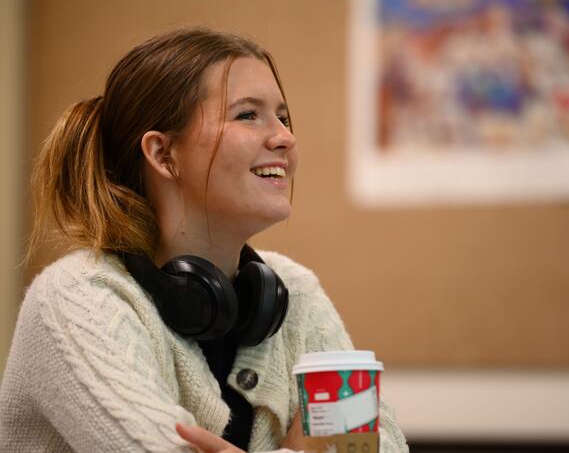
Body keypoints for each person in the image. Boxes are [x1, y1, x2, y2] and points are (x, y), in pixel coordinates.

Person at [0, 28, 408, 452]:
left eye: (283, 117)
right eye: (248, 115)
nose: (285, 137)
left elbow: (387, 445)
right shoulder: (76, 299)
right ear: (162, 154)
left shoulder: (295, 291)